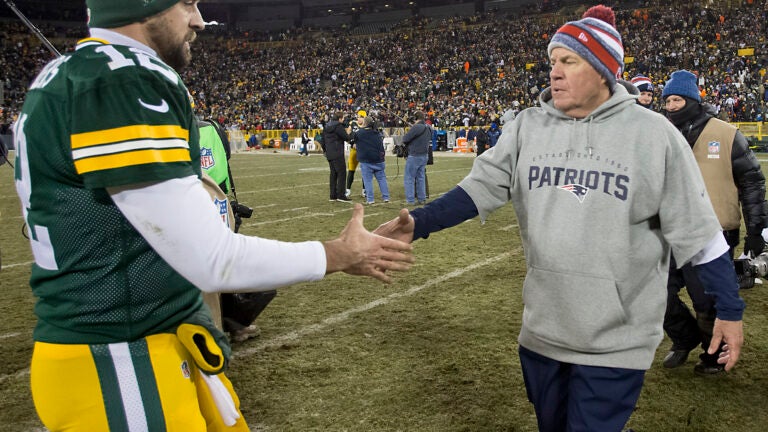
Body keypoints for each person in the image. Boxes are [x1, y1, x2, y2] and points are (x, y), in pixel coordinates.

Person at [13, 1, 414, 430]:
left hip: (154, 339)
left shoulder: (80, 73)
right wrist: (339, 254)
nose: (199, 19)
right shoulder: (122, 79)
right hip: (122, 358)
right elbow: (213, 259)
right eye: (186, 2)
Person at [375, 6, 744, 431]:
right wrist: (418, 224)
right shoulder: (528, 126)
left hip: (615, 340)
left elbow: (699, 235)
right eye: (553, 61)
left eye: (568, 61)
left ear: (603, 70)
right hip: (543, 332)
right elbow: (480, 187)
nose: (554, 71)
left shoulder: (654, 134)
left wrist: (729, 311)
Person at [660, 69, 766, 374]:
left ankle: (714, 353)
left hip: (714, 230)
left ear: (692, 99)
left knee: (706, 299)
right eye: (668, 100)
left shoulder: (726, 133)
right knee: (655, 292)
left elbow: (753, 183)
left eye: (678, 99)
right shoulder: (663, 133)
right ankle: (684, 337)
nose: (672, 105)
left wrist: (756, 228)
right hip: (669, 229)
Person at [353, 116, 390, 205]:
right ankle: (386, 197)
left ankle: (370, 199)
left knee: (368, 181)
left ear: (364, 123)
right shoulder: (377, 133)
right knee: (382, 179)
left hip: (366, 161)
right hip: (379, 160)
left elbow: (353, 141)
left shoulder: (359, 133)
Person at [401, 110, 432, 205]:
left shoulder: (416, 127)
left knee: (409, 178)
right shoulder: (429, 127)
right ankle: (422, 199)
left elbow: (405, 139)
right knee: (420, 178)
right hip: (424, 155)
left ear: (415, 118)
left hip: (414, 155)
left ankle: (410, 200)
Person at [320, 111, 352, 202]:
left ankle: (333, 195)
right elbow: (346, 138)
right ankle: (341, 195)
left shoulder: (327, 126)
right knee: (341, 174)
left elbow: (322, 140)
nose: (343, 120)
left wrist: (326, 151)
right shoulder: (338, 126)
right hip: (337, 153)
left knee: (333, 174)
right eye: (343, 118)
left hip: (329, 153)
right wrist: (348, 132)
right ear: (340, 118)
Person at [346, 110, 367, 198]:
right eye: (358, 116)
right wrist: (351, 143)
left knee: (365, 171)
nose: (359, 118)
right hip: (353, 151)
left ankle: (364, 190)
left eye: (361, 117)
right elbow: (346, 134)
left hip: (363, 151)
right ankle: (347, 190)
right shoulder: (353, 123)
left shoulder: (368, 126)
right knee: (351, 170)